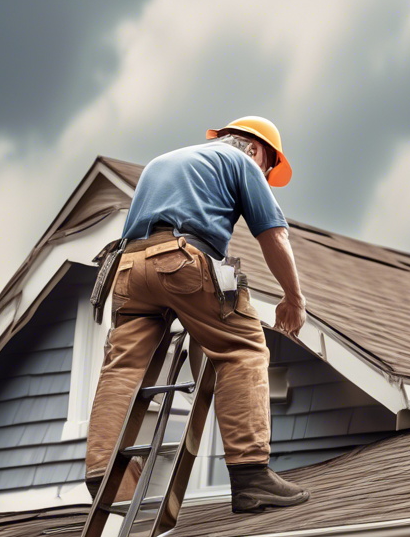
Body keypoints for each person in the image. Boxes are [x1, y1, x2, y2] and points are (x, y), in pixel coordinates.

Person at [85, 116, 310, 514]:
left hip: (126, 270)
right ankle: (251, 476)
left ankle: (104, 472)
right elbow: (274, 235)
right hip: (181, 260)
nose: (264, 173)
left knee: (121, 369)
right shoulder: (242, 162)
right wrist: (293, 298)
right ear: (259, 151)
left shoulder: (162, 162)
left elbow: (137, 237)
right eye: (268, 169)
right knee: (243, 350)